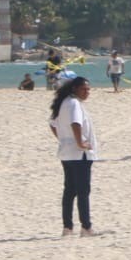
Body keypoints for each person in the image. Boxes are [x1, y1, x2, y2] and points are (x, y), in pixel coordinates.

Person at [49, 75, 98, 236]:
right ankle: (86, 227)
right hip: (78, 155)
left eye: (88, 89)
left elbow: (52, 124)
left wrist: (64, 140)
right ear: (74, 89)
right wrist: (80, 143)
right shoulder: (74, 103)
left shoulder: (63, 103)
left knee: (69, 191)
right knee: (83, 191)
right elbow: (76, 124)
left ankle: (67, 227)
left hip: (66, 153)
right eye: (83, 89)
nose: (87, 92)